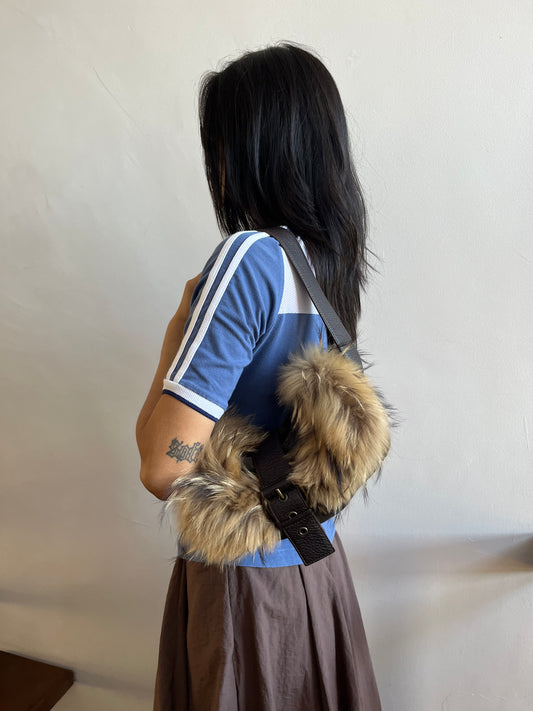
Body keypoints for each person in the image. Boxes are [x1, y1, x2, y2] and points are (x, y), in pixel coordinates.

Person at [136, 41, 382, 710]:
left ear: (248, 150)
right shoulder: (325, 266)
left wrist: (178, 326)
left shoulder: (248, 258)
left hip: (242, 587)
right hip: (313, 563)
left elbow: (162, 467)